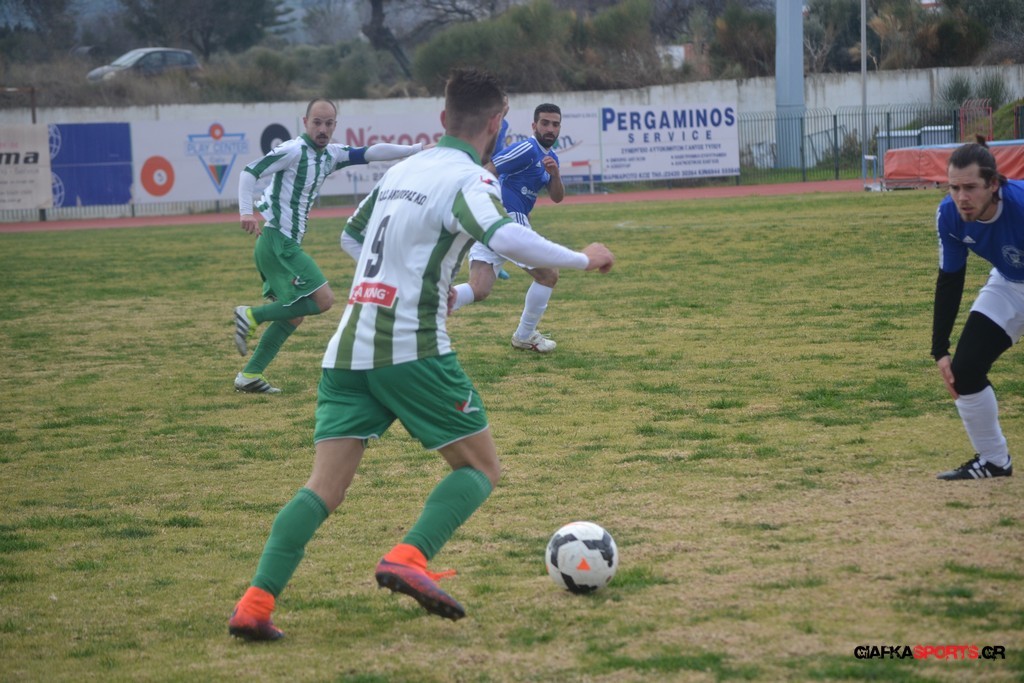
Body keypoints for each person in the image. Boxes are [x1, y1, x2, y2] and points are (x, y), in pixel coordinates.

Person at [227, 68, 614, 641]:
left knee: (323, 489)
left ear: (442, 118)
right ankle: (408, 557)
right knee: (480, 468)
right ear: (497, 124)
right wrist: (583, 257)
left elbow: (352, 236)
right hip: (409, 347)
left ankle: (255, 605)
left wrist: (404, 280)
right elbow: (505, 236)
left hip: (347, 349)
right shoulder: (470, 178)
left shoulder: (405, 168)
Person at [233, 98, 425, 393]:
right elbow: (249, 171)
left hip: (277, 244)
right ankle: (251, 315)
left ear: (335, 125)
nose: (322, 129)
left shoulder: (331, 155)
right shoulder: (293, 150)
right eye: (317, 122)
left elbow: (370, 152)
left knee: (294, 314)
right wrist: (246, 212)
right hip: (277, 241)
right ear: (305, 122)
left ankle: (249, 375)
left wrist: (415, 150)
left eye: (329, 123)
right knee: (324, 300)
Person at [932, 136, 1020, 480]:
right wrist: (940, 349)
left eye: (970, 187)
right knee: (964, 370)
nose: (961, 198)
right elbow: (950, 279)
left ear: (993, 184)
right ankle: (995, 461)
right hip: (1010, 283)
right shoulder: (949, 216)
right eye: (954, 188)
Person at [449, 103, 566, 353]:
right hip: (506, 219)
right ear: (534, 125)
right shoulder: (526, 148)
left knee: (479, 288)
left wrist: (555, 175)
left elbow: (557, 197)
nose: (550, 128)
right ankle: (524, 335)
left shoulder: (550, 158)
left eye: (555, 124)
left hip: (492, 222)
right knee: (548, 275)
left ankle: (422, 310)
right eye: (545, 123)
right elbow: (489, 170)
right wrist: (483, 204)